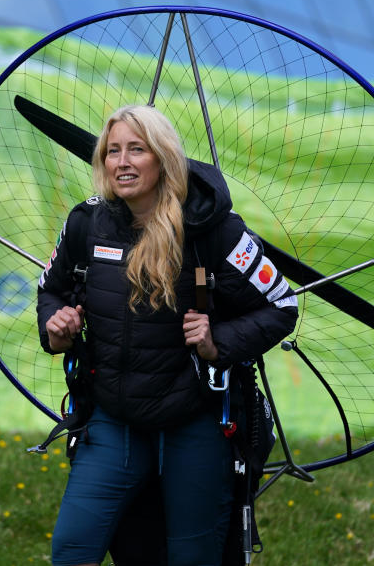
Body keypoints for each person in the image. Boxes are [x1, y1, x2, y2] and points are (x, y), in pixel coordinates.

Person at [37, 104, 298, 566]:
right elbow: (52, 291)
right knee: (72, 548)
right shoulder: (86, 224)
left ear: (163, 158)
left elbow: (281, 305)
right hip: (113, 419)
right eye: (112, 151)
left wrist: (217, 340)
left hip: (195, 421)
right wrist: (56, 327)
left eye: (137, 150)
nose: (122, 162)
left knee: (193, 557)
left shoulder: (214, 231)